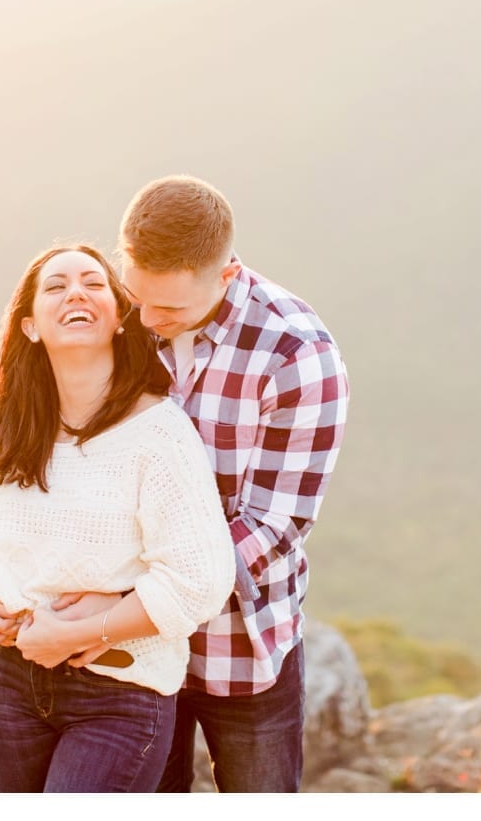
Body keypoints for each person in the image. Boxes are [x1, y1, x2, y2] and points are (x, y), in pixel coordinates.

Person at [0, 243, 234, 794]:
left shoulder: (159, 434)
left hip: (119, 691)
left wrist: (85, 631)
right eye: (55, 286)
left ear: (120, 319)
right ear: (30, 327)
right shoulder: (6, 431)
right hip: (8, 683)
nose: (75, 292)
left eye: (93, 283)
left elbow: (201, 580)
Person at [117, 175, 349, 793]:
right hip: (130, 652)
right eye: (137, 296)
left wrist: (147, 598)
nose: (144, 319)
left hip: (240, 643)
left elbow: (275, 525)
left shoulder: (298, 355)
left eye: (168, 309)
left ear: (226, 275)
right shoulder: (126, 314)